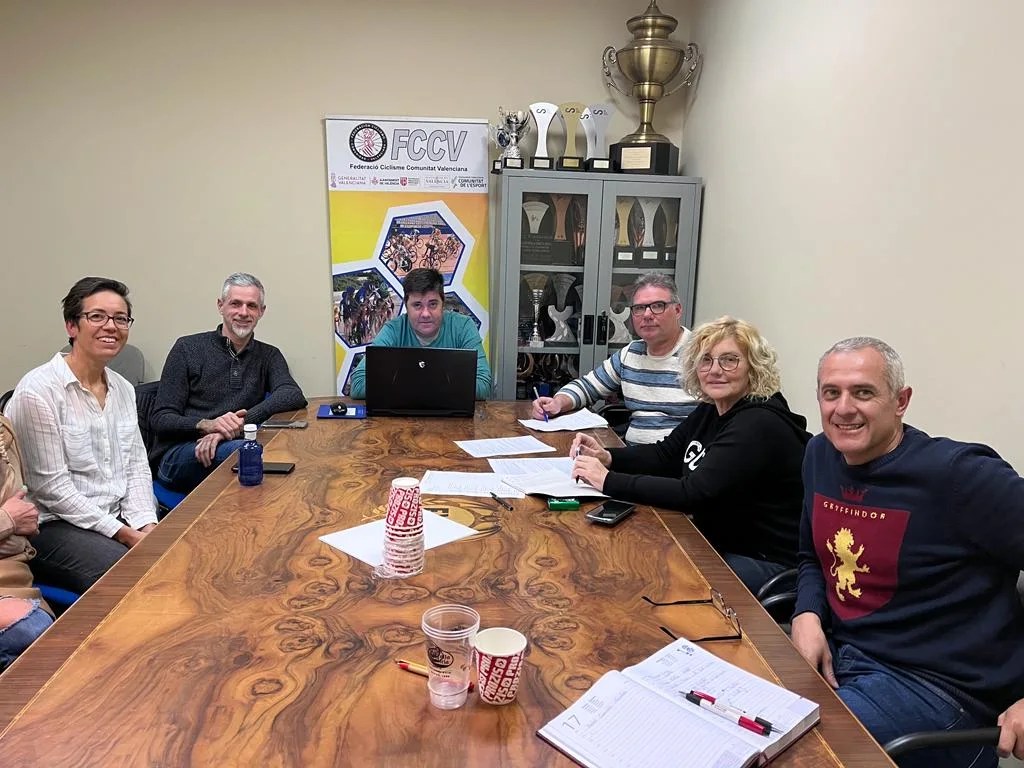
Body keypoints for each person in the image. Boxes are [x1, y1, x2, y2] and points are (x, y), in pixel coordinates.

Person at [792, 337, 1024, 767]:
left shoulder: (959, 475)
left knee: (793, 753)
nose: (844, 408)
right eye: (831, 393)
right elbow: (812, 557)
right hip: (843, 656)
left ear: (901, 401)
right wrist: (807, 613)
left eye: (863, 392)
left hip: (938, 689)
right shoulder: (820, 454)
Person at [571, 316, 810, 594]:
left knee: (643, 576)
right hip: (718, 539)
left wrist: (607, 480)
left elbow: (693, 493)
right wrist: (609, 457)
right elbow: (665, 454)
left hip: (763, 560)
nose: (715, 370)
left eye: (729, 360)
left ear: (753, 367)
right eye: (705, 360)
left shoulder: (757, 423)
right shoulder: (713, 408)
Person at [8, 277, 158, 592]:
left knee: (182, 550)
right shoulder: (37, 391)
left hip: (116, 516)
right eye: (97, 316)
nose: (111, 326)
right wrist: (123, 534)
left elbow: (136, 467)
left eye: (120, 318)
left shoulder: (123, 388)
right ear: (72, 326)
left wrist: (147, 524)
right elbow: (51, 490)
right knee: (135, 576)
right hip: (54, 524)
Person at [151, 273, 307, 493]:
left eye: (251, 306)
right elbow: (161, 418)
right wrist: (208, 425)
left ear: (261, 311)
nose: (243, 312)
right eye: (235, 304)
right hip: (181, 453)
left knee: (279, 451)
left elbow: (292, 394)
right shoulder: (186, 348)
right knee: (252, 454)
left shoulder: (269, 355)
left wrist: (239, 424)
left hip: (236, 444)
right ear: (220, 306)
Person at [532, 272, 698, 444]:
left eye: (657, 306)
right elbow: (588, 386)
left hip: (681, 458)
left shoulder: (700, 354)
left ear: (677, 310)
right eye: (639, 308)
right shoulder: (631, 353)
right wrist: (558, 402)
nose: (647, 315)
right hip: (633, 455)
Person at [348, 268, 492, 400]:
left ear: (443, 303)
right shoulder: (393, 330)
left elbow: (483, 384)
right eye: (417, 305)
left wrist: (405, 385)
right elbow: (358, 384)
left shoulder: (463, 326)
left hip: (452, 418)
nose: (425, 314)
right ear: (406, 306)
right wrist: (440, 385)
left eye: (433, 304)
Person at [0, 413, 54, 668]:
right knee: (32, 631)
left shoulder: (3, 429)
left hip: (14, 572)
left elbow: (24, 520)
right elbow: (14, 517)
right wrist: (8, 520)